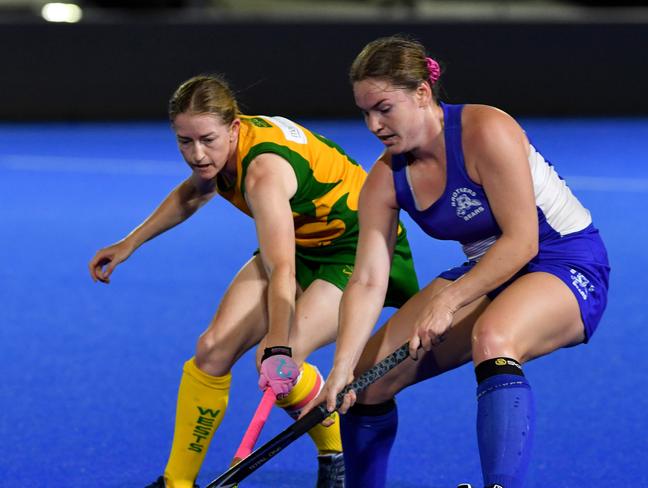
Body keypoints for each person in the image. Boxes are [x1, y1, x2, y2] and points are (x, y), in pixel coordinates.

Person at [307, 35, 610, 488]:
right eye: (365, 112)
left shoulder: (485, 129)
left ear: (422, 94)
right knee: (367, 385)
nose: (373, 124)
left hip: (564, 260)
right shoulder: (385, 180)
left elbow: (522, 242)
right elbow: (368, 280)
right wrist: (342, 368)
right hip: (488, 273)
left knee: (495, 337)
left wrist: (450, 299)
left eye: (384, 108)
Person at [88, 74, 419, 488]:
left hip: (357, 251)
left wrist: (280, 347)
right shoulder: (222, 150)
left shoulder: (263, 171)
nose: (196, 154)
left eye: (207, 139)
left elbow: (282, 270)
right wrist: (129, 243)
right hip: (300, 242)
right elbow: (195, 191)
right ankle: (177, 482)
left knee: (277, 362)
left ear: (234, 126)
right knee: (211, 350)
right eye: (184, 141)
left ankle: (336, 452)